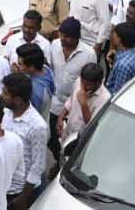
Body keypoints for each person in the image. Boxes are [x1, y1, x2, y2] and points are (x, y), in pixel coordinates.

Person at [48, 18, 95, 161]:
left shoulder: (88, 54)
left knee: (72, 143)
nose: (63, 39)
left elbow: (90, 83)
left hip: (74, 107)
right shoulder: (54, 46)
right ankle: (58, 163)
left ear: (77, 37)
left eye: (67, 37)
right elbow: (50, 70)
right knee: (53, 140)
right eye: (61, 35)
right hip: (54, 104)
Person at [0, 74, 48, 208]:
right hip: (4, 186)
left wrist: (23, 197)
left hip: (22, 191)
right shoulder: (6, 113)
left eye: (5, 93)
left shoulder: (37, 126)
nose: (1, 95)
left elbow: (38, 166)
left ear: (18, 100)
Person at [56, 63, 109, 144]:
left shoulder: (105, 98)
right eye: (82, 83)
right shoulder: (79, 82)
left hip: (82, 141)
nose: (82, 87)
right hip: (67, 133)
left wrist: (83, 103)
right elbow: (70, 100)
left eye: (88, 85)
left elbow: (92, 125)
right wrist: (61, 117)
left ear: (98, 83)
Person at [13, 43, 55, 116]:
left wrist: (17, 77)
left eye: (20, 64)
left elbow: (29, 114)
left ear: (31, 67)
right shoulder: (46, 69)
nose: (17, 65)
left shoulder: (34, 90)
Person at [104, 23, 135, 94]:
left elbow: (117, 93)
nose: (112, 36)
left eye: (114, 34)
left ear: (119, 39)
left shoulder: (123, 66)